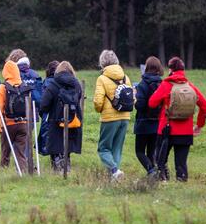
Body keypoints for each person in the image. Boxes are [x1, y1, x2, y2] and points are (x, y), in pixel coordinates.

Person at [148, 57, 206, 181]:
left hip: (167, 130)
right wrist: (199, 125)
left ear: (170, 69)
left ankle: (163, 181)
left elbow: (152, 103)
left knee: (160, 160)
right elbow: (205, 106)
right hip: (186, 131)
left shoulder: (166, 85)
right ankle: (181, 184)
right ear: (183, 70)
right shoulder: (190, 86)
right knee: (181, 164)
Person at [93, 49, 134, 180]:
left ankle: (114, 170)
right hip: (125, 116)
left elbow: (98, 101)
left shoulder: (102, 78)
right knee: (117, 148)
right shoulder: (125, 77)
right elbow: (132, 96)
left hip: (109, 118)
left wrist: (99, 110)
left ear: (102, 62)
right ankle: (115, 176)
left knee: (103, 148)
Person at [39, 61, 83, 172]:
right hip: (73, 119)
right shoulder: (76, 84)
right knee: (67, 146)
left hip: (55, 120)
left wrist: (44, 113)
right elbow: (78, 99)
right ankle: (66, 167)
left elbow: (44, 105)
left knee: (55, 147)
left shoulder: (53, 84)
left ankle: (57, 169)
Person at [0, 59, 29, 172]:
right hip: (23, 123)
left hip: (8, 124)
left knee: (5, 152)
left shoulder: (3, 87)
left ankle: (3, 172)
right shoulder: (24, 86)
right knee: (20, 152)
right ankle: (22, 172)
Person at [134, 56, 163, 177]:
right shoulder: (162, 83)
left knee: (140, 151)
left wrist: (135, 98)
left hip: (143, 123)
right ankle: (154, 173)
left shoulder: (142, 84)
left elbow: (140, 105)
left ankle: (151, 171)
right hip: (157, 122)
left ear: (146, 67)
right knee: (151, 152)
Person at [38, 60, 59, 157]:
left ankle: (54, 160)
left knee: (48, 136)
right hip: (61, 113)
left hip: (49, 113)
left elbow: (43, 100)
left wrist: (42, 113)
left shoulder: (46, 82)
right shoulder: (63, 81)